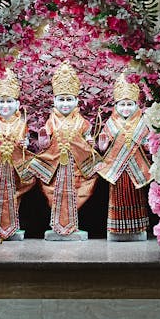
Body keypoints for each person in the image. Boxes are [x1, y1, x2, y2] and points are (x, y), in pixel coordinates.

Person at [28, 62, 98, 239]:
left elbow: (89, 142)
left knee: (76, 193)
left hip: (76, 167)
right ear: (54, 101)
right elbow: (45, 144)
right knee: (56, 194)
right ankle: (57, 227)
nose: (65, 103)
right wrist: (44, 142)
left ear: (76, 101)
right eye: (61, 99)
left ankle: (73, 226)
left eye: (69, 99)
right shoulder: (51, 122)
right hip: (57, 167)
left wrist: (90, 142)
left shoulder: (83, 122)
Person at [96, 72, 152, 241]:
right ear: (116, 105)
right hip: (117, 171)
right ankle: (116, 230)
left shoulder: (143, 123)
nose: (126, 108)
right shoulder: (110, 123)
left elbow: (149, 144)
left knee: (136, 198)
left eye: (129, 104)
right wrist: (102, 146)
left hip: (136, 170)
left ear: (136, 105)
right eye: (122, 104)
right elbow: (103, 145)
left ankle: (137, 229)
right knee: (118, 198)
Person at [0, 68, 34, 241]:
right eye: (1, 102)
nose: (5, 106)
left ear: (17, 104)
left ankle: (13, 227)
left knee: (13, 196)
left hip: (14, 167)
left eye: (9, 101)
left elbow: (24, 145)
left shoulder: (21, 123)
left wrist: (24, 145)